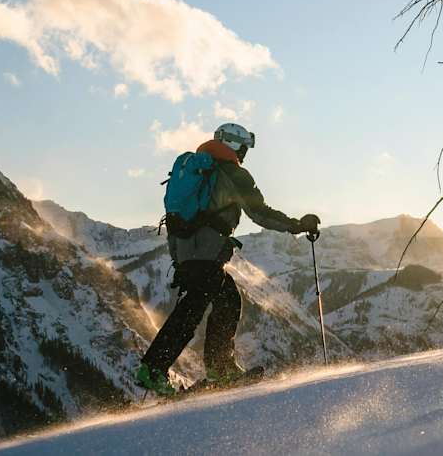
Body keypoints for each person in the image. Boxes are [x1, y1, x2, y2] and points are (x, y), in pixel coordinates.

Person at [136, 122, 320, 396]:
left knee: (223, 298)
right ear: (235, 145)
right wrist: (296, 225)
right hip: (206, 251)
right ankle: (159, 368)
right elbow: (260, 213)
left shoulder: (196, 169)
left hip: (185, 251)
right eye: (244, 148)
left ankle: (213, 367)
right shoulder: (233, 173)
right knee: (197, 307)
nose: (245, 154)